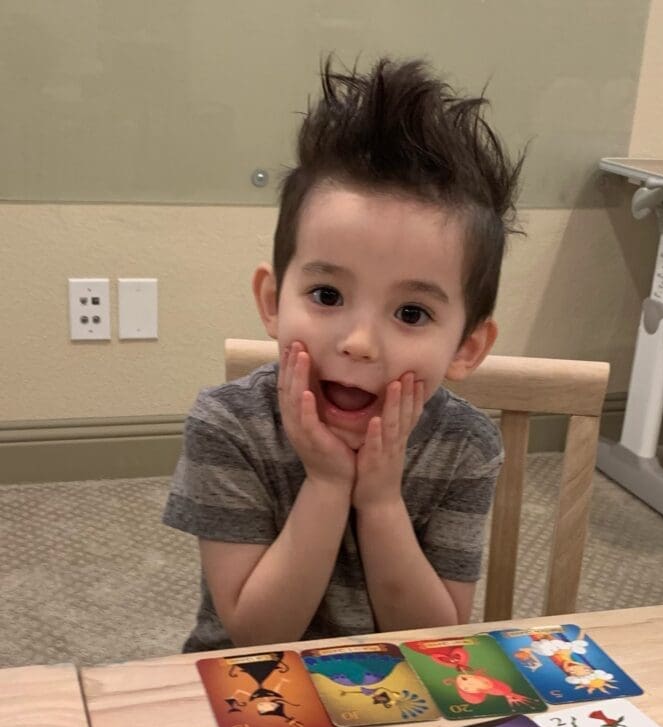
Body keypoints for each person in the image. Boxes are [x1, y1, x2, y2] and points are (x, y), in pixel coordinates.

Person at [163, 56, 524, 652]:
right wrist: (329, 484)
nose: (358, 342)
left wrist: (380, 498)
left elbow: (438, 639)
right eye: (327, 295)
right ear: (274, 302)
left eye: (411, 313)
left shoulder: (465, 447)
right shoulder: (227, 426)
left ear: (467, 347)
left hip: (394, 695)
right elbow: (254, 635)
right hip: (251, 694)